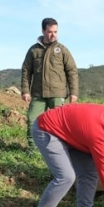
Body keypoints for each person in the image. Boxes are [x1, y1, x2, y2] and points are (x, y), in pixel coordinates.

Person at [21, 17, 79, 150]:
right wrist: (25, 90)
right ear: (43, 31)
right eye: (50, 31)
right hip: (38, 92)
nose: (53, 35)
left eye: (56, 31)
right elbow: (26, 70)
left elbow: (72, 71)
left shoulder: (62, 50)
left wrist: (74, 92)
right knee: (32, 119)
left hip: (57, 93)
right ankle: (33, 149)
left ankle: (59, 149)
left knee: (58, 123)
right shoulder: (33, 50)